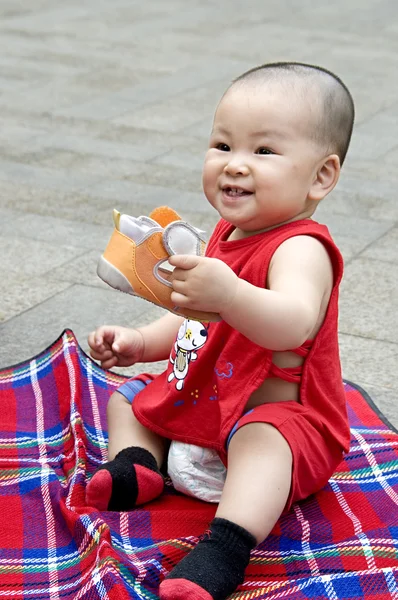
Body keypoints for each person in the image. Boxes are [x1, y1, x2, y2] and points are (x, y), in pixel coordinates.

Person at [86, 61, 355, 600]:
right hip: (206, 403)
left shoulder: (301, 248)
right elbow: (194, 319)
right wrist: (141, 341)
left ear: (321, 176)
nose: (235, 166)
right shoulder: (225, 232)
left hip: (277, 422)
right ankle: (137, 465)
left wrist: (231, 295)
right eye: (222, 145)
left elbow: (291, 323)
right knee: (132, 396)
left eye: (264, 151)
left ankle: (227, 545)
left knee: (264, 440)